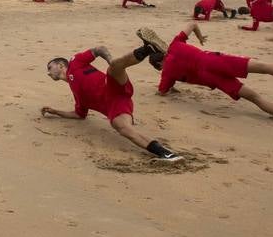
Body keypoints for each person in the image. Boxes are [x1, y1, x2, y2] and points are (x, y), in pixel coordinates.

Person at [139, 24, 273, 127]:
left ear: (158, 65)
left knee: (254, 97)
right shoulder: (174, 44)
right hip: (214, 60)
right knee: (264, 67)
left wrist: (169, 87)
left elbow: (162, 92)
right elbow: (192, 22)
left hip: (209, 76)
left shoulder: (167, 73)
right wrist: (199, 36)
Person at [41, 41, 182, 162]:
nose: (48, 72)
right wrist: (55, 112)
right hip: (117, 105)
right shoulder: (76, 93)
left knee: (114, 67)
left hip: (113, 85)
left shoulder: (75, 62)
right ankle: (166, 153)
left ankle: (147, 48)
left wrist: (112, 62)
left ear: (60, 65)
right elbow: (79, 115)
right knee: (122, 128)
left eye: (49, 67)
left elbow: (99, 49)